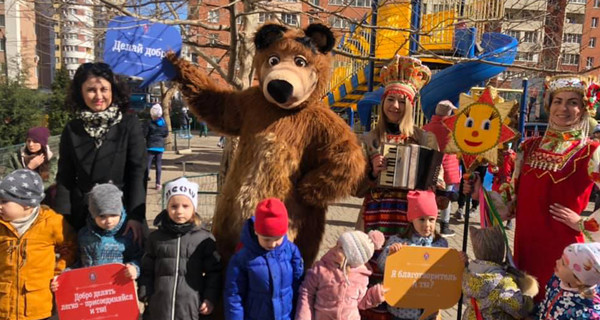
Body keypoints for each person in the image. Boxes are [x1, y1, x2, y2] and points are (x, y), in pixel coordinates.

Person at [465, 75, 600, 302]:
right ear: (549, 105)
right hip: (526, 247)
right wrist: (481, 192)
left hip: (565, 254)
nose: (563, 108)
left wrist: (582, 222)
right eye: (557, 101)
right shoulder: (529, 147)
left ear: (584, 108)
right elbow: (510, 203)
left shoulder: (591, 151)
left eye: (572, 102)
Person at [354, 55, 443, 319]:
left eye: (401, 101)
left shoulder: (424, 138)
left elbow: (439, 192)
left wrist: (438, 186)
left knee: (411, 282)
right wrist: (370, 173)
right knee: (374, 288)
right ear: (382, 103)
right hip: (375, 220)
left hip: (410, 223)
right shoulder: (368, 139)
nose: (394, 105)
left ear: (411, 105)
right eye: (390, 99)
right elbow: (354, 189)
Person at [53, 62, 147, 243]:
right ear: (80, 93)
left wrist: (136, 217)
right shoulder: (72, 129)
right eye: (91, 90)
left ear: (113, 90)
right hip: (83, 215)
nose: (98, 96)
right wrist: (62, 219)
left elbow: (138, 173)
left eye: (104, 89)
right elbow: (65, 177)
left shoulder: (128, 124)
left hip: (120, 214)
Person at [138, 177, 223, 320]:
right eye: (174, 206)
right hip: (159, 308)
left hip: (190, 308)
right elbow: (147, 270)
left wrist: (209, 298)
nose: (179, 211)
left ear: (194, 208)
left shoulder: (204, 239)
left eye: (185, 206)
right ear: (167, 207)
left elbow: (214, 272)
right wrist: (146, 295)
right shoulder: (156, 238)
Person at [0, 169, 77, 320]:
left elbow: (71, 248)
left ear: (27, 204)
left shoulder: (51, 223)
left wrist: (58, 273)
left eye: (4, 201)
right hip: (4, 306)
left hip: (38, 306)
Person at [51, 183, 142, 294]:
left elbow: (138, 258)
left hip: (118, 292)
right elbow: (79, 263)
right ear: (93, 215)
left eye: (113, 215)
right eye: (102, 216)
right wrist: (64, 277)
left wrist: (134, 269)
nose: (108, 221)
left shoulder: (127, 235)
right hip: (91, 295)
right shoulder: (84, 235)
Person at [224, 198, 304, 320]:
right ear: (256, 231)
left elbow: (299, 284)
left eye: (277, 239)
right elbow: (235, 295)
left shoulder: (291, 252)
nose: (272, 244)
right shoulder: (242, 258)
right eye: (266, 239)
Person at [376, 190, 449, 320]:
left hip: (430, 312)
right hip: (402, 312)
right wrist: (391, 255)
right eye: (421, 219)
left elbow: (447, 274)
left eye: (431, 220)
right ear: (411, 219)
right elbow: (381, 268)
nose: (427, 225)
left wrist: (460, 262)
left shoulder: (441, 244)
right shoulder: (397, 241)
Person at [295, 230, 387, 320]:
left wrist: (374, 296)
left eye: (341, 248)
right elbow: (307, 293)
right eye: (337, 244)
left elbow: (360, 303)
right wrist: (304, 316)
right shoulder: (321, 269)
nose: (335, 249)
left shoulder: (361, 277)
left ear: (353, 258)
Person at [462, 225, 537, 320]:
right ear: (501, 250)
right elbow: (519, 309)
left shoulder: (468, 273)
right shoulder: (502, 283)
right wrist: (528, 298)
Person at [422, 100, 461, 236]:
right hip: (448, 166)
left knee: (429, 195)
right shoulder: (451, 129)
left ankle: (426, 221)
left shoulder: (425, 127)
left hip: (430, 167)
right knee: (446, 197)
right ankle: (444, 225)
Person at [537, 243, 600, 320]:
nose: (557, 261)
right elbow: (548, 301)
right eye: (561, 258)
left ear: (579, 280)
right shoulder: (558, 280)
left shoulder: (584, 313)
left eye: (563, 263)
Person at [7, 126, 58, 205]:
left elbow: (49, 182)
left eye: (35, 141)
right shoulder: (16, 158)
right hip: (21, 197)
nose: (31, 144)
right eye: (28, 141)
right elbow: (10, 181)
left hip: (44, 196)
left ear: (43, 143)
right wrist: (29, 168)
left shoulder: (52, 158)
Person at [145, 104, 169, 191]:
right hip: (160, 147)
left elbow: (145, 133)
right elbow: (166, 134)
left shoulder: (149, 123)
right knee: (158, 165)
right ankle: (158, 183)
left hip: (150, 146)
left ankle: (144, 180)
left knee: (147, 164)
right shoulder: (164, 123)